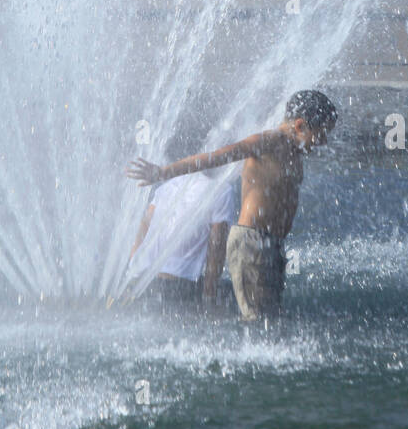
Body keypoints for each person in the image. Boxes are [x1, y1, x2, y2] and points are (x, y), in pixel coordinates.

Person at [127, 90, 337, 323]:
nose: (323, 142)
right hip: (252, 243)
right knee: (258, 318)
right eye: (322, 134)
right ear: (300, 126)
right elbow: (214, 157)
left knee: (271, 316)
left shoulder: (295, 152)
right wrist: (163, 172)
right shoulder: (269, 142)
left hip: (271, 244)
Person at [128, 171, 240, 313]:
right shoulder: (222, 191)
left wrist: (133, 266)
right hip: (178, 285)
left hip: (141, 281)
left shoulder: (170, 184)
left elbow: (144, 223)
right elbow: (216, 246)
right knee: (233, 293)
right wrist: (209, 300)